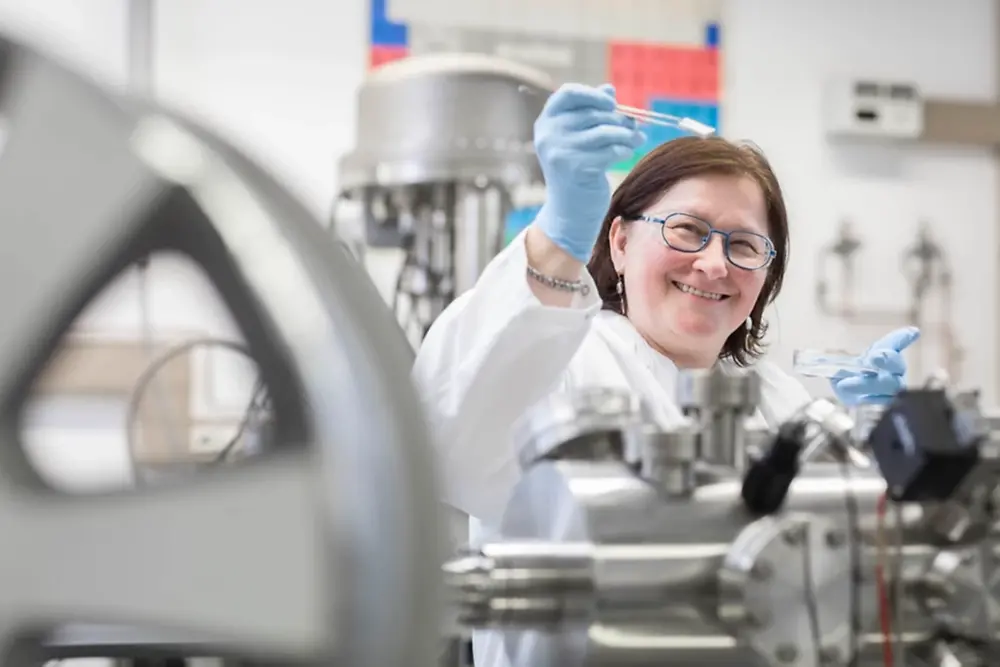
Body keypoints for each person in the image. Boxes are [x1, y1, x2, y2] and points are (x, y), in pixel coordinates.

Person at [413, 83, 919, 667]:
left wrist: (880, 448)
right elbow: (451, 449)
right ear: (620, 241)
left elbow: (838, 584)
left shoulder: (778, 403)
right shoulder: (561, 362)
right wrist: (555, 241)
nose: (714, 263)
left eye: (745, 246)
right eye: (687, 230)